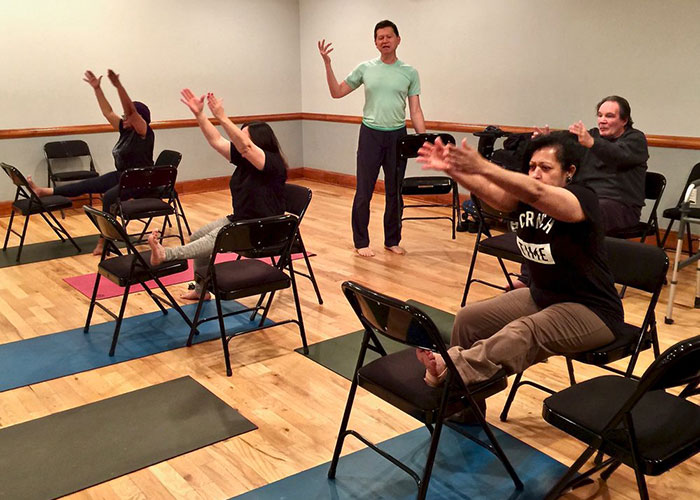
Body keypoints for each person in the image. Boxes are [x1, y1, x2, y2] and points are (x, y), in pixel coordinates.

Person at [415, 132, 623, 413]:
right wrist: (454, 170)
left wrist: (484, 165)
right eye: (532, 167)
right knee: (468, 319)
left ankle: (448, 368)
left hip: (592, 311)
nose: (536, 174)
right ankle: (465, 410)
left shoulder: (582, 198)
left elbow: (536, 192)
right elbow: (500, 198)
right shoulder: (527, 199)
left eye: (546, 168)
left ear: (569, 172)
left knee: (523, 331)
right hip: (543, 297)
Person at [148, 89, 287, 300]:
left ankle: (165, 254)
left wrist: (222, 116)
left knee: (214, 239)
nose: (237, 142)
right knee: (197, 236)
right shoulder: (244, 159)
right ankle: (201, 290)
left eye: (242, 137)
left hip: (263, 229)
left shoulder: (271, 163)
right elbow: (217, 141)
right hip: (243, 221)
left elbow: (246, 146)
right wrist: (200, 115)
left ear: (260, 141)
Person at [318, 20, 426, 257]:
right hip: (370, 135)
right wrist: (328, 65)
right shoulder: (365, 68)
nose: (384, 41)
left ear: (398, 39)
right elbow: (337, 92)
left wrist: (424, 140)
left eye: (389, 36)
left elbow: (415, 110)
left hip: (398, 136)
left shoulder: (409, 72)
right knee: (364, 190)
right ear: (375, 42)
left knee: (394, 191)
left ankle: (392, 239)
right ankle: (361, 242)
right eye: (380, 37)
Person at [28, 69, 154, 254]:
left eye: (127, 116)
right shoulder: (125, 130)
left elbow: (132, 111)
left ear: (139, 119)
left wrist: (119, 86)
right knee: (90, 183)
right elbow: (107, 111)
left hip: (141, 180)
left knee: (110, 197)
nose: (124, 118)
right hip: (124, 176)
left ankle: (104, 241)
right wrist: (97, 89)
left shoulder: (144, 132)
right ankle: (45, 191)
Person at [540, 95, 648, 233]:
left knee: (583, 211)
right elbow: (564, 143)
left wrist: (592, 143)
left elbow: (617, 155)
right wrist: (545, 141)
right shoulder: (592, 135)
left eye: (609, 116)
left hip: (621, 207)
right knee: (550, 199)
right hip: (586, 197)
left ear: (624, 120)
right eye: (600, 115)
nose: (602, 120)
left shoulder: (636, 139)